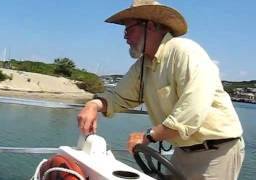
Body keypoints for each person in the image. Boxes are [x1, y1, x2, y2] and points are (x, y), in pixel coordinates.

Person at [77, 0, 245, 179]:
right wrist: (93, 105)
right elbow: (118, 96)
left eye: (128, 29)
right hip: (182, 151)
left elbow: (192, 109)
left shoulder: (186, 51)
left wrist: (149, 136)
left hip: (216, 153)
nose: (125, 36)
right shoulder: (143, 65)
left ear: (150, 26)